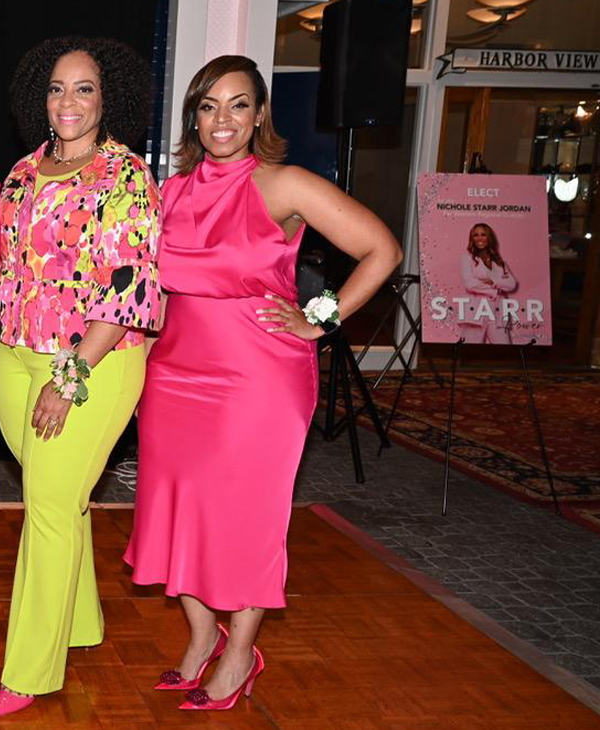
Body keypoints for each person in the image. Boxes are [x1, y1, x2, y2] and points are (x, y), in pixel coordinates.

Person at [124, 55, 401, 711]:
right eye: (210, 105)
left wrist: (318, 320)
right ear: (194, 115)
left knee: (248, 520)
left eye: (238, 104)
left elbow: (381, 250)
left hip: (259, 377)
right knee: (173, 510)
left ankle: (241, 652)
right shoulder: (169, 192)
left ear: (258, 114)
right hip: (174, 373)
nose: (223, 119)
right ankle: (200, 638)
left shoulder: (286, 185)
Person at [0, 37, 163, 717]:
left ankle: (28, 670)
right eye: (57, 88)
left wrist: (70, 376)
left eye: (84, 88)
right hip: (14, 355)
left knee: (49, 507)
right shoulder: (23, 172)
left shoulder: (126, 176)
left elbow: (127, 291)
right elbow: (11, 273)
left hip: (93, 360)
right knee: (57, 494)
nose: (69, 102)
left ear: (106, 96)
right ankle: (79, 622)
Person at [460, 222, 518, 344]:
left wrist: (494, 281)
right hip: (476, 311)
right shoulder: (467, 258)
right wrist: (494, 290)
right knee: (470, 350)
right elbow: (470, 283)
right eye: (475, 235)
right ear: (472, 238)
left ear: (489, 237)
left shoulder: (499, 261)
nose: (479, 238)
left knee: (504, 347)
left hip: (497, 311)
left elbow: (512, 284)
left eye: (483, 234)